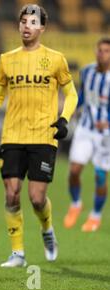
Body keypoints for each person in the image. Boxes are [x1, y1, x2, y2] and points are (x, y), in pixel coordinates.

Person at [0, 4, 78, 267]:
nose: (26, 26)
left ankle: (47, 230)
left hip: (43, 135)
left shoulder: (56, 59)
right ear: (18, 26)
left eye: (32, 22)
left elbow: (72, 93)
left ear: (42, 28)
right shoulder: (7, 59)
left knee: (37, 198)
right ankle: (18, 253)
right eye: (23, 22)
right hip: (12, 136)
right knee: (12, 194)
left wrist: (64, 119)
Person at [63, 37, 110, 232]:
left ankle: (95, 216)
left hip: (106, 134)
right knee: (74, 170)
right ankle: (76, 204)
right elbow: (82, 94)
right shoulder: (87, 71)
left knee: (100, 176)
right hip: (85, 128)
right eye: (100, 50)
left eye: (106, 51)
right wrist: (74, 107)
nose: (102, 54)